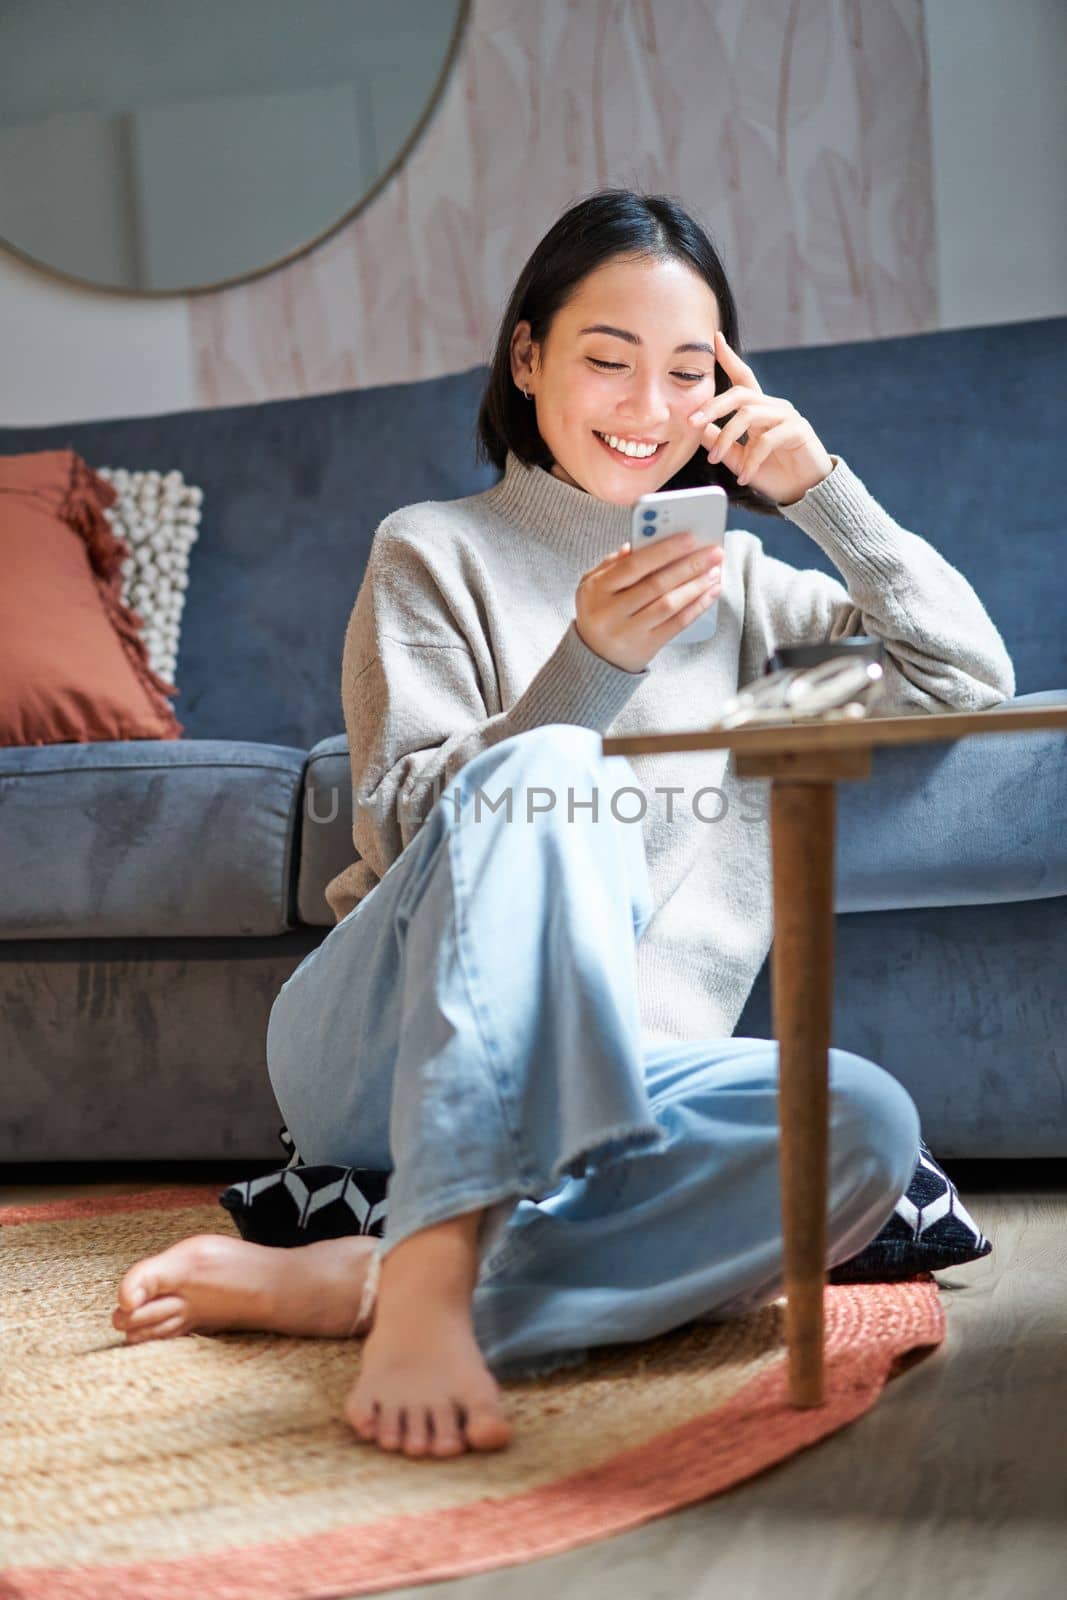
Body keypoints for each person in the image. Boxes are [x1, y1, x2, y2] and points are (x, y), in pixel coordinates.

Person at [112, 189, 1015, 1461]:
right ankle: (424, 1276)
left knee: (857, 1124)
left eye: (686, 371)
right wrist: (586, 666)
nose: (648, 408)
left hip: (622, 1084)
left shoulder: (744, 597)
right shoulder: (430, 551)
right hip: (386, 1047)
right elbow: (409, 814)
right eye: (605, 360)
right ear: (527, 357)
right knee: (552, 769)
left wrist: (818, 493)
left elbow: (960, 682)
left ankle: (359, 1285)